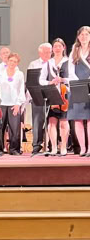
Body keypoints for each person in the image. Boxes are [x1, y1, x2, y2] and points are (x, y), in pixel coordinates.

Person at [39, 38, 69, 156]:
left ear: (63, 47)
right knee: (52, 122)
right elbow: (41, 80)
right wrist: (50, 82)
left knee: (63, 122)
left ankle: (63, 147)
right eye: (55, 46)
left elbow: (73, 78)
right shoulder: (48, 63)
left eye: (59, 46)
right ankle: (54, 148)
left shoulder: (69, 62)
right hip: (52, 94)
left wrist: (62, 80)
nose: (57, 48)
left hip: (65, 94)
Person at [0, 53, 26, 155]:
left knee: (15, 129)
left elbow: (21, 90)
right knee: (0, 128)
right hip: (2, 104)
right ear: (7, 61)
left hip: (14, 104)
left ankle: (14, 149)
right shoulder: (1, 73)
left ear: (17, 63)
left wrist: (18, 104)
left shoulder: (20, 74)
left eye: (15, 61)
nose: (12, 63)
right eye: (11, 61)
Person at [68, 26, 90, 156]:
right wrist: (79, 84)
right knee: (78, 119)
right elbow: (71, 71)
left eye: (86, 34)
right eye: (82, 35)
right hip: (77, 87)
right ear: (78, 37)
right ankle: (82, 148)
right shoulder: (74, 51)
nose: (84, 37)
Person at [27, 42, 52, 155]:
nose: (48, 54)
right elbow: (31, 81)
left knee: (51, 121)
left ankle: (51, 144)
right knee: (37, 121)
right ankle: (36, 145)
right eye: (45, 52)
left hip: (51, 94)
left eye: (49, 52)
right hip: (37, 95)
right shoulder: (33, 64)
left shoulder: (53, 63)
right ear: (40, 53)